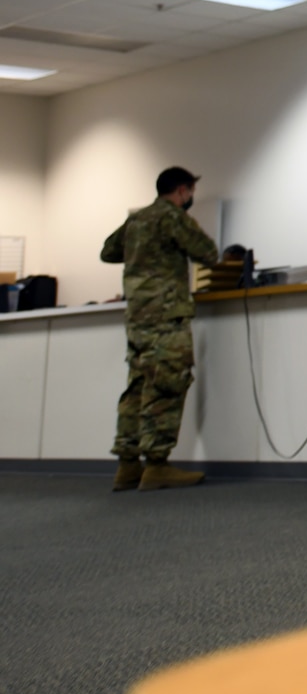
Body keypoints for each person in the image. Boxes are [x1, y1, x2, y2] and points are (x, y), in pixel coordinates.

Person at [102, 165, 219, 491]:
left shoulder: (137, 219)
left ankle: (127, 465)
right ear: (182, 191)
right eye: (190, 192)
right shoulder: (172, 217)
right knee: (167, 386)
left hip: (138, 319)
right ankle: (156, 466)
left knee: (137, 388)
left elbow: (108, 251)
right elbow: (209, 253)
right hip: (167, 318)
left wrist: (144, 254)